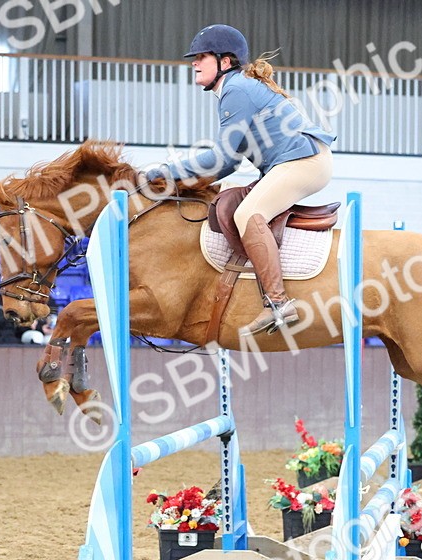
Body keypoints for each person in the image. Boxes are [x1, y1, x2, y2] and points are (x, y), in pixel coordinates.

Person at [143, 24, 335, 334]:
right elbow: (228, 163)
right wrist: (181, 182)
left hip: (304, 162)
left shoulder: (235, 89)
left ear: (226, 61)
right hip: (295, 162)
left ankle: (278, 304)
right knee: (230, 200)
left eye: (202, 56)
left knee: (248, 213)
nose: (194, 61)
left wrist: (167, 170)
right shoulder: (235, 88)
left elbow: (218, 157)